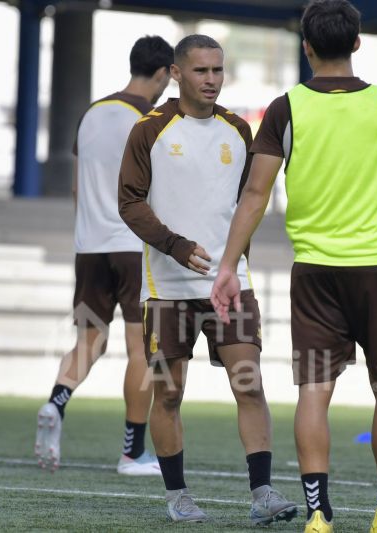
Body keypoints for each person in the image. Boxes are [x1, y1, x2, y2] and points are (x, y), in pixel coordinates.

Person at [210, 2, 377, 532]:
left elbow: (255, 193)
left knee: (314, 389)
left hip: (313, 270)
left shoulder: (285, 108)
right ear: (358, 43)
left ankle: (319, 516)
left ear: (306, 46)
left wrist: (229, 265)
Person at [118, 34, 297, 525]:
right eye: (201, 71)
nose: (211, 79)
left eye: (218, 70)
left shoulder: (240, 131)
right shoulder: (150, 130)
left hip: (230, 285)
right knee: (169, 393)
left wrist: (232, 262)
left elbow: (250, 202)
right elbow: (129, 202)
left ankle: (262, 493)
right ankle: (177, 495)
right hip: (167, 290)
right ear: (176, 73)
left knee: (250, 385)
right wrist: (175, 245)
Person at [34, 36, 173, 475]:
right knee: (142, 350)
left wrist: (89, 231)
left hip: (89, 246)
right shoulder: (150, 119)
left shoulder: (91, 113)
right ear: (165, 73)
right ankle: (132, 452)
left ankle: (57, 402)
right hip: (133, 248)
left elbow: (78, 187)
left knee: (89, 340)